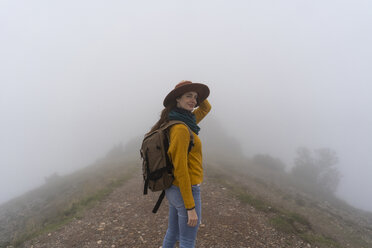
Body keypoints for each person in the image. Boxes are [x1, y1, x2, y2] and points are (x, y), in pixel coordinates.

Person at [149, 81, 211, 248]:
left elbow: (206, 108)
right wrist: (190, 206)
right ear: (177, 99)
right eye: (188, 95)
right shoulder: (182, 129)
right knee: (187, 240)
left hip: (174, 189)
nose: (193, 100)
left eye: (195, 97)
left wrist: (195, 89)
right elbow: (181, 169)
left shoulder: (184, 120)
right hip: (186, 189)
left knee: (173, 231)